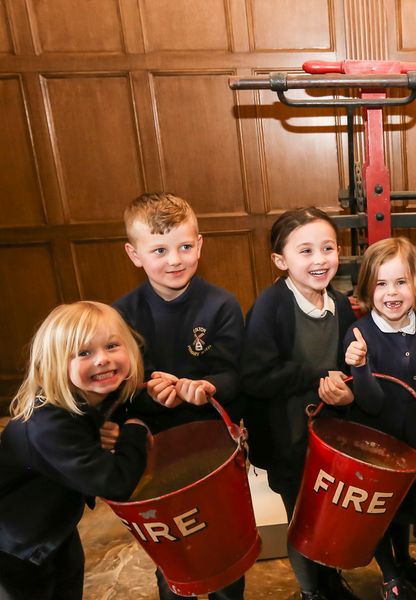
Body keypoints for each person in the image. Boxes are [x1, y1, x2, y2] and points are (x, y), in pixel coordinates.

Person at [114, 192, 246, 599]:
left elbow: (236, 376)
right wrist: (150, 395)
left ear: (199, 245)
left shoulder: (222, 304)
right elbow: (117, 391)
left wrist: (207, 388)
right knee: (175, 553)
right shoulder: (121, 315)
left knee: (224, 547)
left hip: (212, 443)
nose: (175, 260)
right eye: (159, 250)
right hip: (157, 449)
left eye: (185, 246)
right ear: (135, 254)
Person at [240, 207, 360, 600]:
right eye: (305, 251)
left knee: (333, 514)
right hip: (287, 438)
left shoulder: (340, 305)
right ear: (281, 260)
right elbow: (256, 377)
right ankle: (314, 591)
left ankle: (332, 581)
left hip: (329, 437)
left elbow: (345, 366)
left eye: (327, 248)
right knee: (303, 519)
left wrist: (346, 388)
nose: (319, 259)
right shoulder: (271, 307)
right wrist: (315, 377)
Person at [0, 301, 151, 600]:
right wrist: (135, 431)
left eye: (111, 345)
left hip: (54, 525)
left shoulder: (88, 394)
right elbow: (116, 483)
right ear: (56, 363)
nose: (102, 360)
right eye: (84, 353)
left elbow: (127, 396)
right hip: (15, 545)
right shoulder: (48, 425)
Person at [344, 237, 416, 600]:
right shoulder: (361, 335)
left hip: (415, 441)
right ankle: (388, 572)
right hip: (378, 448)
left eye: (401, 282)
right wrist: (359, 369)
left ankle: (404, 560)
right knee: (379, 514)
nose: (392, 292)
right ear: (366, 289)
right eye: (381, 283)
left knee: (403, 510)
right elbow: (371, 403)